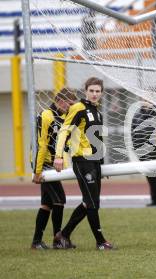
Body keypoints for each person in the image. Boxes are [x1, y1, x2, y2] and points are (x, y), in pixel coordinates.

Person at [53, 77, 114, 250]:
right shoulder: (77, 108)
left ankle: (63, 235)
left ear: (101, 93)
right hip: (82, 161)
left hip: (94, 163)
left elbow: (98, 140)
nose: (94, 94)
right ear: (85, 91)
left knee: (91, 203)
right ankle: (101, 242)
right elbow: (64, 131)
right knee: (92, 203)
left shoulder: (98, 112)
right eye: (91, 91)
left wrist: (101, 164)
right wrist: (58, 156)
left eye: (98, 91)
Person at [31, 88, 77, 249]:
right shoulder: (46, 116)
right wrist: (37, 171)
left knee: (47, 204)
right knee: (59, 200)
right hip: (43, 163)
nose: (70, 107)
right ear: (60, 101)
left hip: (52, 164)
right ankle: (58, 240)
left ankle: (37, 242)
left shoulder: (64, 117)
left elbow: (64, 143)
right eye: (69, 104)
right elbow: (41, 145)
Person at [131, 101, 156, 206]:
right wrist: (137, 149)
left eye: (147, 99)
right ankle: (154, 199)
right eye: (143, 99)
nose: (145, 102)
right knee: (150, 177)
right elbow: (133, 132)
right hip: (143, 152)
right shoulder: (137, 115)